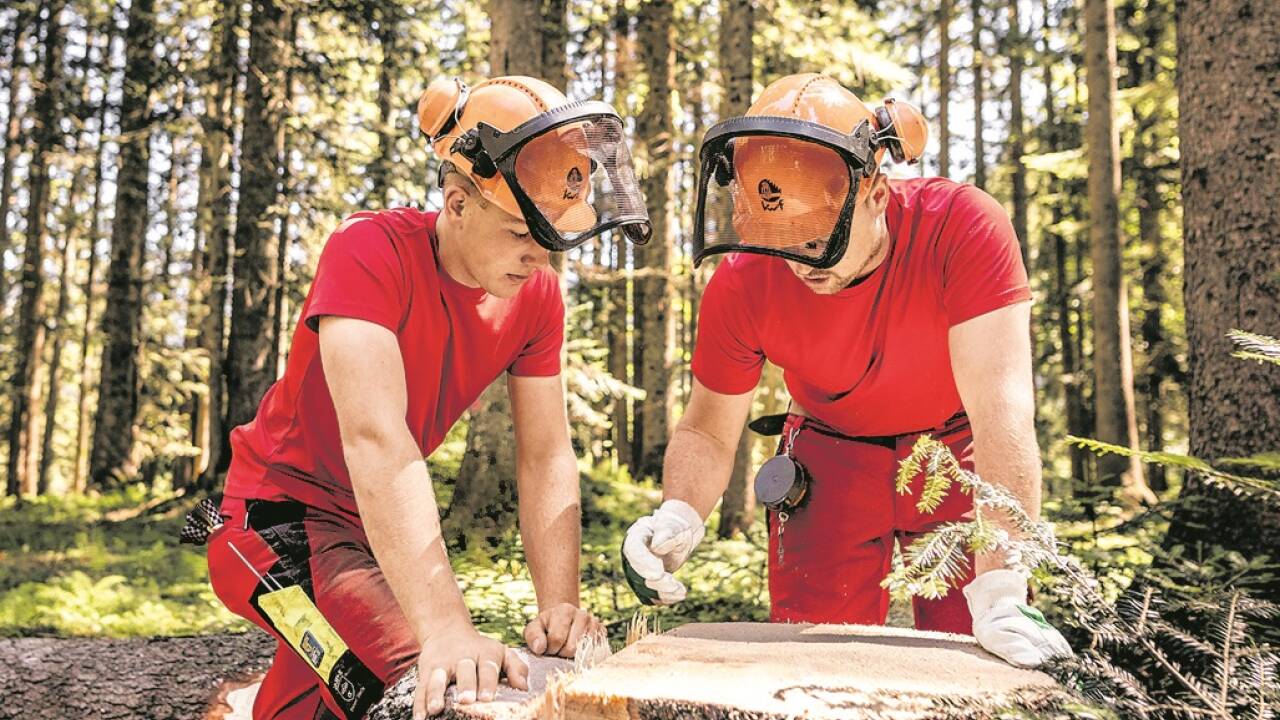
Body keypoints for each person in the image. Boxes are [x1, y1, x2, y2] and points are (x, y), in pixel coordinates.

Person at [203, 75, 652, 719]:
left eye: (553, 237)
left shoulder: (537, 295)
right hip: (276, 526)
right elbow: (376, 440)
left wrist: (560, 601)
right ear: (458, 201)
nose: (538, 257)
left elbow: (547, 456)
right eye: (523, 231)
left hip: (370, 539)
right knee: (429, 684)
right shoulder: (369, 251)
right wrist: (443, 624)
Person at [621, 73, 1071, 668]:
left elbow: (1003, 414)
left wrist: (1004, 581)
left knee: (974, 641)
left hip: (957, 449)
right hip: (831, 451)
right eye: (778, 242)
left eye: (815, 241)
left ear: (875, 194)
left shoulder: (961, 226)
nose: (800, 264)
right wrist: (678, 512)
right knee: (813, 650)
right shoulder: (744, 280)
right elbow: (706, 428)